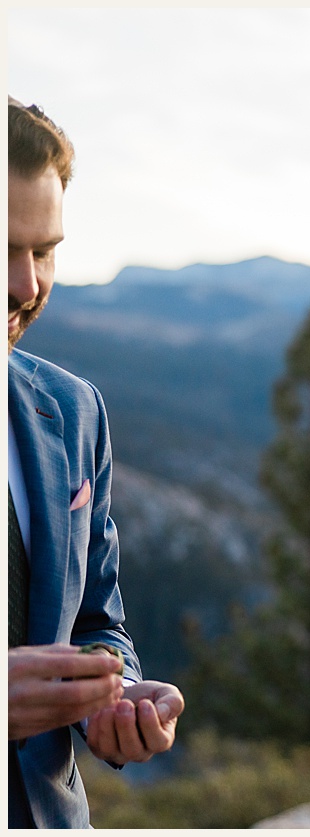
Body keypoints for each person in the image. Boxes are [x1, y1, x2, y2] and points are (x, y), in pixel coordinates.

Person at [7, 98, 187, 829]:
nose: (26, 285)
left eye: (43, 250)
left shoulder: (74, 411)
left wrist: (114, 692)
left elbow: (94, 618)